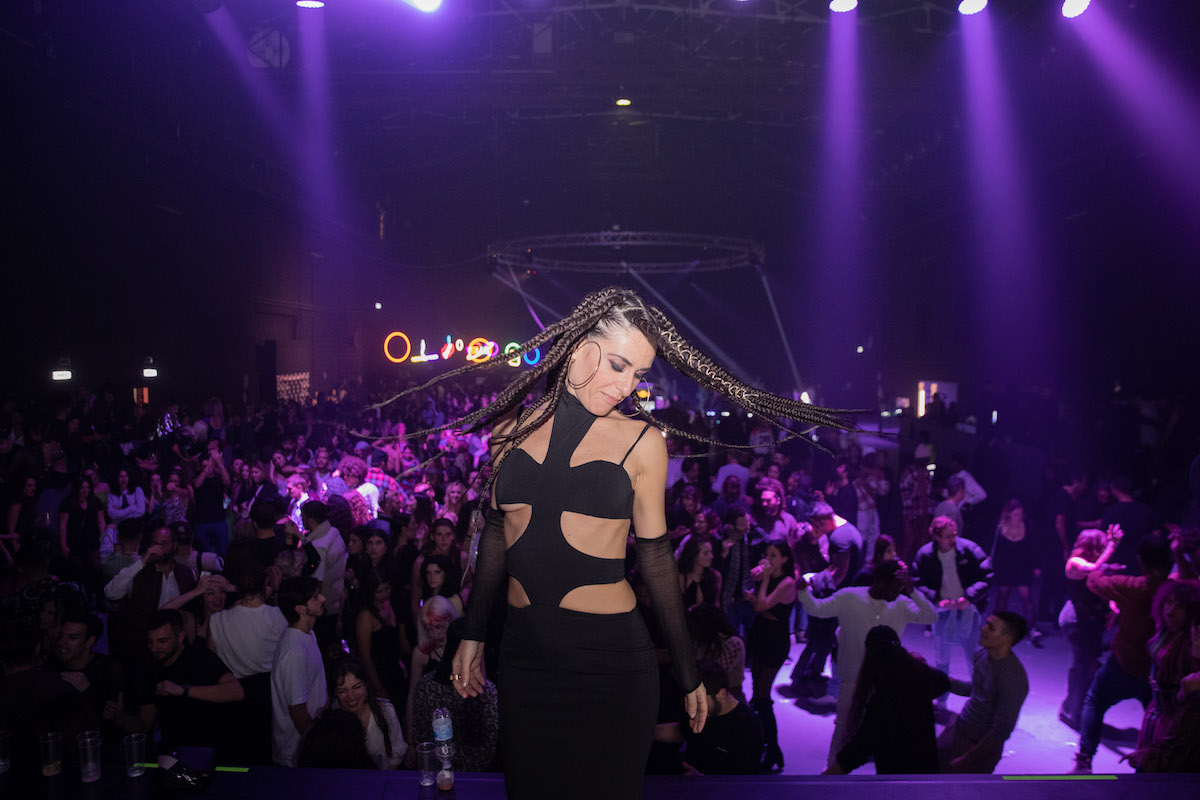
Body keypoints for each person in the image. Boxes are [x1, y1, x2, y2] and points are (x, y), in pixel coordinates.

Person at [444, 288, 855, 798]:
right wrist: (473, 633)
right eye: (619, 365)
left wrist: (687, 673)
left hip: (611, 661)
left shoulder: (643, 442)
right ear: (579, 347)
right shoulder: (508, 432)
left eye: (638, 374)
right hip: (525, 660)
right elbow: (496, 533)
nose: (626, 387)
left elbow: (657, 559)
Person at [796, 559, 939, 768]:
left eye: (901, 588)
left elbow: (931, 617)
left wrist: (912, 591)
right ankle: (832, 771)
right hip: (852, 678)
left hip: (885, 683)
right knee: (843, 726)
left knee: (882, 730)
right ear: (881, 582)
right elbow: (817, 608)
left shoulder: (901, 603)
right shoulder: (850, 597)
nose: (898, 592)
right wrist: (803, 592)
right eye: (896, 587)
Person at [1073, 534, 1174, 773]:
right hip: (1159, 670)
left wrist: (1108, 552)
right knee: (1160, 717)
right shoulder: (1178, 591)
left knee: (1095, 701)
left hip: (1125, 663)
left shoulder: (1133, 587)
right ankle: (1152, 768)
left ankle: (1084, 761)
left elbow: (1093, 581)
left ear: (1141, 561)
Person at [124, 608, 244, 759]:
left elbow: (236, 691)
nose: (154, 648)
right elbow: (145, 723)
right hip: (173, 752)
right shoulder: (150, 667)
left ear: (180, 637)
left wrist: (183, 690)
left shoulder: (200, 657)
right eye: (150, 642)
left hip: (209, 748)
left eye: (162, 641)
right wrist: (119, 717)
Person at [828, 625, 949, 774]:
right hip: (925, 772)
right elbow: (943, 682)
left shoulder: (882, 701)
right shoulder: (920, 679)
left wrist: (826, 777)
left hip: (895, 779)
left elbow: (859, 747)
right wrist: (918, 665)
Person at [937, 611, 1030, 773]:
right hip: (960, 728)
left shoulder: (1013, 678)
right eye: (986, 624)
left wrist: (966, 760)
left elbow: (1000, 731)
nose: (982, 628)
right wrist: (939, 679)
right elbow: (976, 691)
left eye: (991, 628)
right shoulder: (982, 655)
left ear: (1007, 639)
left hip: (978, 745)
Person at [912, 515, 993, 693]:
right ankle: (941, 700)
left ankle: (980, 698)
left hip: (968, 611)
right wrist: (936, 599)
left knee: (974, 656)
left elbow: (987, 576)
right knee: (942, 658)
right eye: (948, 536)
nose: (953, 539)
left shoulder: (969, 550)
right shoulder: (925, 555)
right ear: (936, 537)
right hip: (941, 612)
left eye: (954, 535)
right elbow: (917, 582)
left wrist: (969, 597)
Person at [411, 618, 500, 772]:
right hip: (476, 774)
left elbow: (420, 734)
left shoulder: (425, 686)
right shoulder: (486, 691)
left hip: (439, 770)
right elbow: (493, 739)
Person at [1129, 580, 1200, 771]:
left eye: (1180, 606)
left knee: (1158, 770)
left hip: (1174, 717)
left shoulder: (1191, 642)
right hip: (1156, 710)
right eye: (1168, 603)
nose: (1170, 610)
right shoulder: (1166, 629)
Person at [1059, 525, 1122, 729]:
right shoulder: (1075, 562)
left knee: (1085, 666)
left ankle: (1071, 710)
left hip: (1090, 620)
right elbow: (1093, 570)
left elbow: (1099, 588)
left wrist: (1112, 606)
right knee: (1084, 667)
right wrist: (1112, 545)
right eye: (1102, 545)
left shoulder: (1098, 563)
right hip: (1077, 619)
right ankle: (1074, 714)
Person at [653, 659, 763, 775]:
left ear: (721, 694)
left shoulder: (748, 726)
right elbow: (680, 731)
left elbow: (746, 778)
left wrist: (701, 778)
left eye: (699, 700)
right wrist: (645, 733)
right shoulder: (699, 710)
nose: (692, 705)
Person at [746, 538, 796, 772]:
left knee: (763, 697)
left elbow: (761, 605)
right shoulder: (770, 576)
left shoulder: (787, 582)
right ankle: (763, 745)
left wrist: (764, 579)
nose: (768, 558)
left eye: (773, 555)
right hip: (760, 634)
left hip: (775, 641)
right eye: (767, 554)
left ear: (784, 559)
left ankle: (774, 750)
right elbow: (758, 601)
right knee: (757, 693)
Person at [271, 576, 328, 767]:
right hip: (296, 755)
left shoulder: (308, 633)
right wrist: (320, 750)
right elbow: (299, 713)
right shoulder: (293, 653)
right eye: (315, 598)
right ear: (300, 609)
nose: (323, 599)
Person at [328, 657, 408, 770]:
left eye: (356, 687)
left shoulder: (385, 711)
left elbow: (395, 759)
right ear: (335, 693)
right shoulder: (330, 719)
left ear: (366, 685)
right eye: (342, 691)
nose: (351, 696)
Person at [991, 499, 1041, 646]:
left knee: (1026, 597)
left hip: (1023, 566)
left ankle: (1032, 628)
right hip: (1005, 566)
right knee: (1003, 595)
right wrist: (993, 566)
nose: (1019, 517)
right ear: (1008, 515)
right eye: (1015, 514)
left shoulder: (1028, 526)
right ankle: (998, 626)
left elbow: (1034, 547)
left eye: (1021, 513)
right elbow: (996, 550)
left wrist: (1036, 566)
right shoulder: (1000, 528)